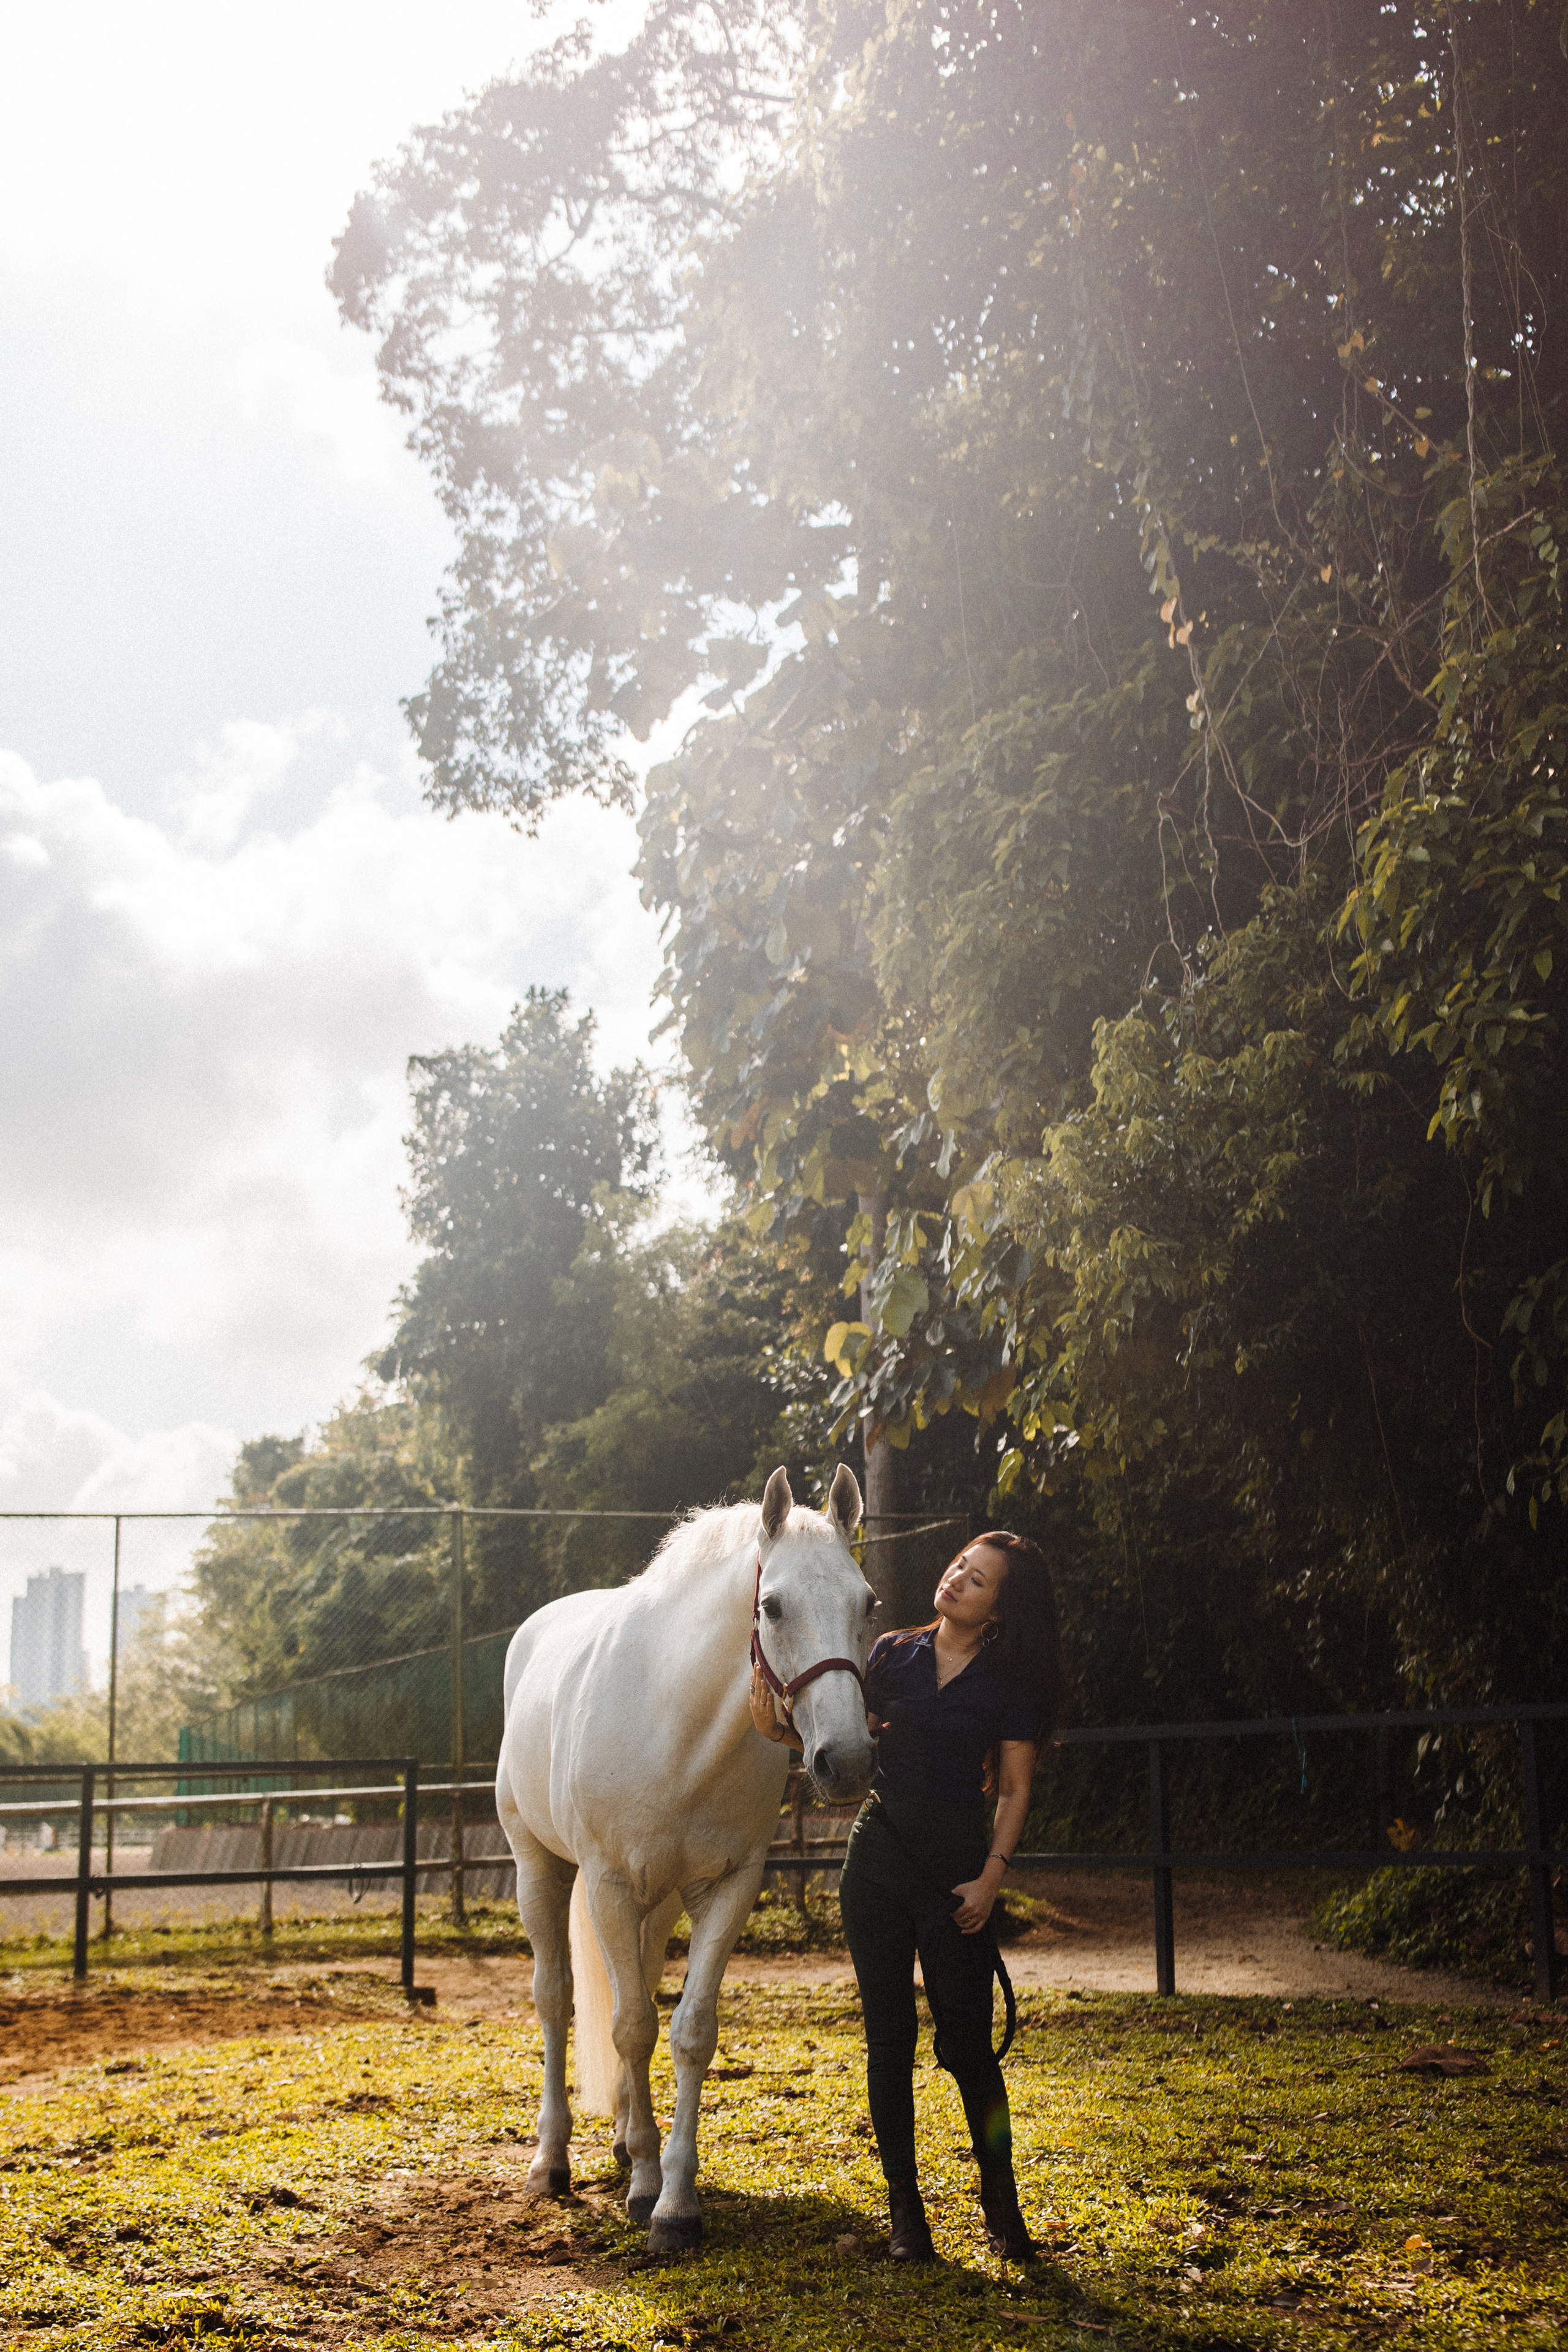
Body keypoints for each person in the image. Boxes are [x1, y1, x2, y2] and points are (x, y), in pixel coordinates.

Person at [750, 1529, 1065, 2264]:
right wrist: (783, 1724)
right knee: (887, 2043)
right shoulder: (891, 1653)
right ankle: (905, 2215)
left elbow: (1013, 1790)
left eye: (977, 1579)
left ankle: (1001, 2205)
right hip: (877, 1864)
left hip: (956, 1873)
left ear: (1000, 1610)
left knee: (969, 2047)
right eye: (959, 1565)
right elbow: (837, 1735)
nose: (956, 1578)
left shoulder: (1010, 1683)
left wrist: (990, 1878)